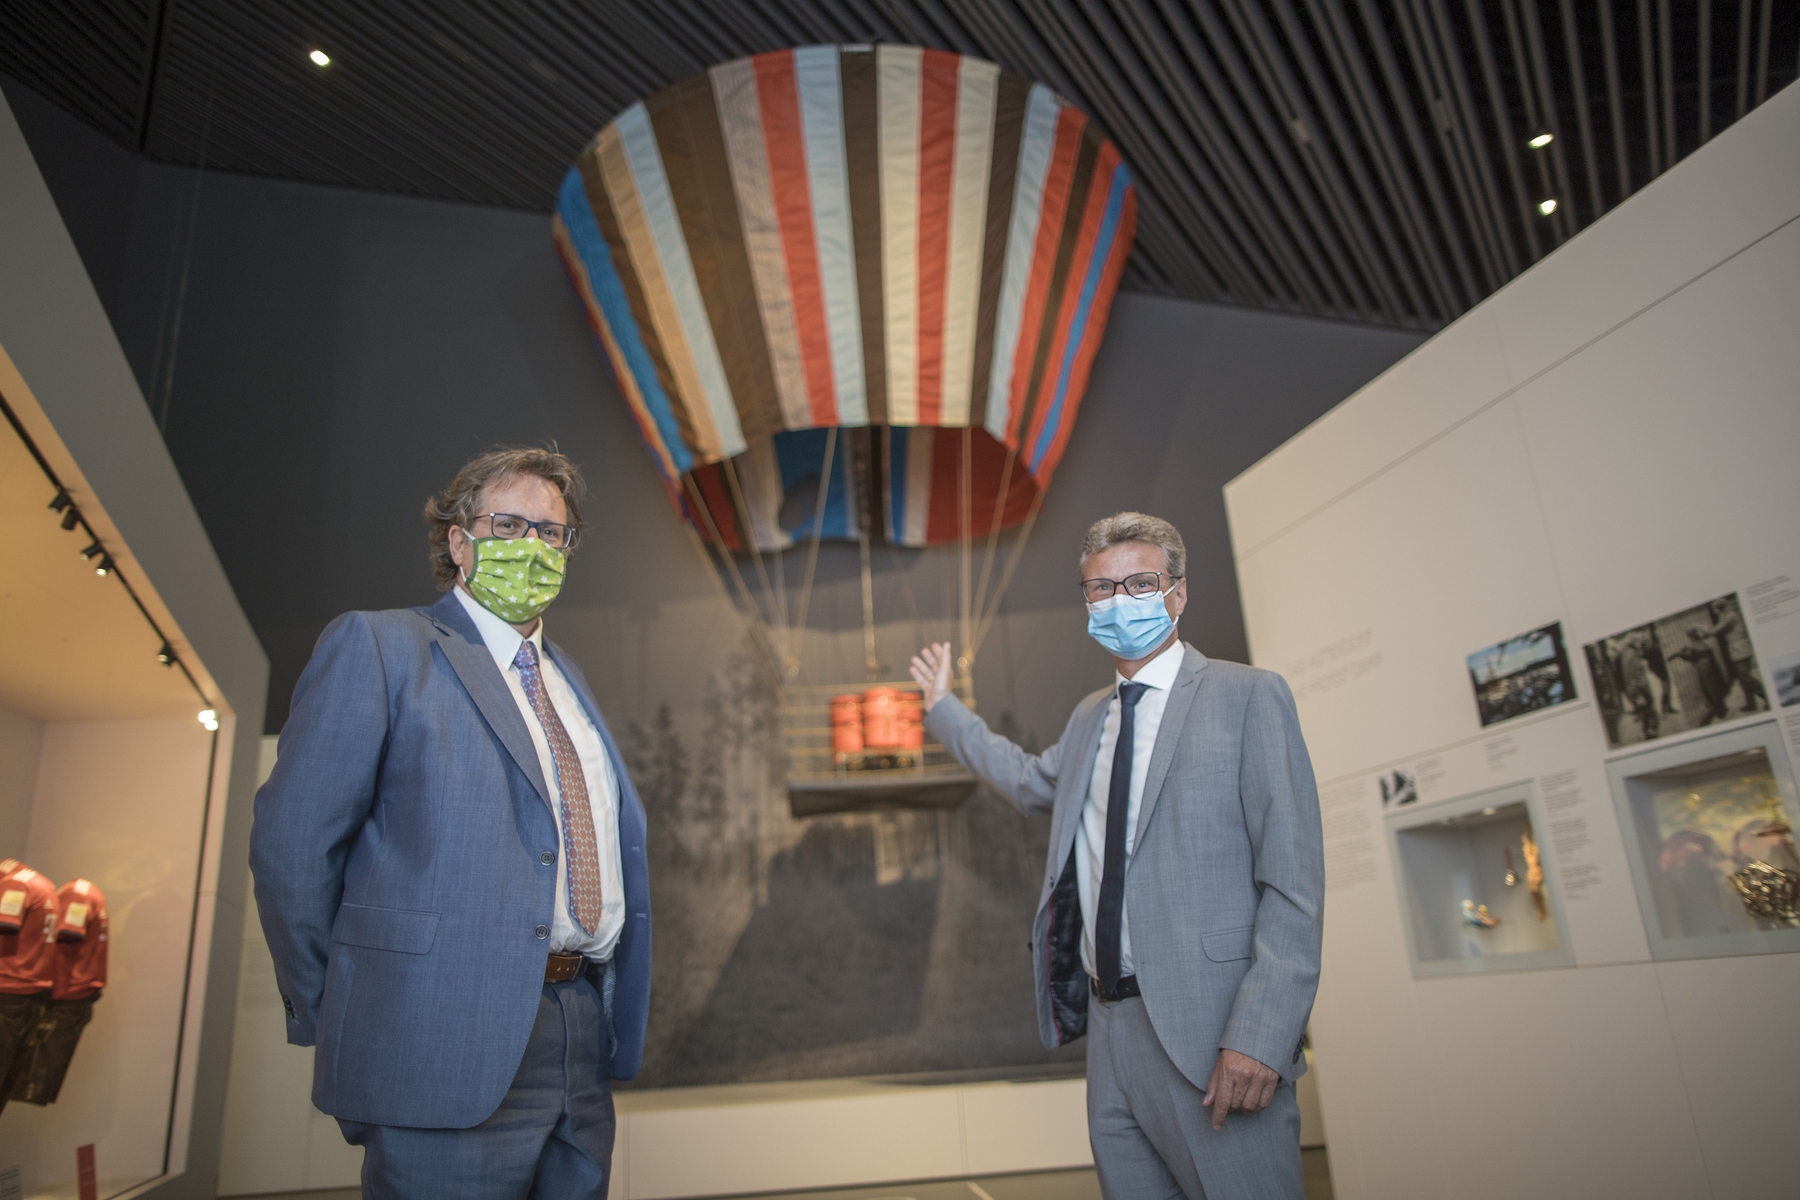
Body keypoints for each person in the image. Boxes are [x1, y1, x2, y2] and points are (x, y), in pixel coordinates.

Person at [252, 447, 650, 1199]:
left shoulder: (569, 680)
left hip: (578, 1033)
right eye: (510, 523)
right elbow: (291, 845)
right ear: (459, 541)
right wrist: (341, 1011)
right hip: (436, 1040)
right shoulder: (380, 647)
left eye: (552, 532)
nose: (532, 544)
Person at [911, 512, 1323, 1200]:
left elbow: (1293, 886)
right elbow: (1026, 780)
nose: (1118, 599)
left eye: (1139, 582)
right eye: (1100, 589)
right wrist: (945, 708)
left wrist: (1261, 1036)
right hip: (1110, 1033)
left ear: (1178, 594)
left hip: (1215, 1036)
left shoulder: (1247, 698)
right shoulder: (1087, 720)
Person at [1694, 600, 1768, 714]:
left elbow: (1715, 630)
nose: (1714, 612)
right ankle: (1751, 704)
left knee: (1746, 678)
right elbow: (1716, 630)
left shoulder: (1730, 616)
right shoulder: (1725, 616)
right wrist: (1706, 632)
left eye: (1715, 609)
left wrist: (1701, 627)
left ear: (1720, 608)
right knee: (1742, 679)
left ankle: (1767, 696)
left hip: (1741, 650)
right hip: (1737, 651)